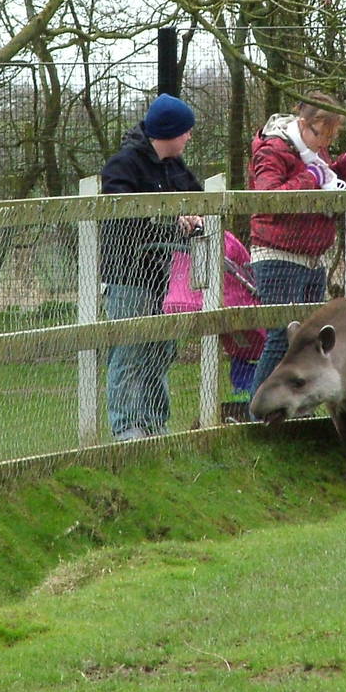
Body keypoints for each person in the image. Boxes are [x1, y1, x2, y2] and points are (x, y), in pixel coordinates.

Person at [245, 94, 346, 401]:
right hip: (278, 255)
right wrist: (310, 177)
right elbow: (268, 197)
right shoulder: (273, 149)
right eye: (321, 134)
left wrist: (345, 168)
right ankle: (257, 412)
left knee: (310, 341)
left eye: (330, 136)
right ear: (304, 123)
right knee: (280, 337)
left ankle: (295, 408)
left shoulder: (314, 150)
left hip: (313, 258)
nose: (323, 142)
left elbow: (324, 179)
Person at [98, 94, 203, 441]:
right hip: (129, 274)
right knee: (129, 350)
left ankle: (155, 424)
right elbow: (125, 217)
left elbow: (198, 199)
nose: (189, 137)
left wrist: (193, 216)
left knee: (160, 352)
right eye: (185, 131)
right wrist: (174, 222)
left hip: (166, 276)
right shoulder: (123, 166)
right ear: (169, 132)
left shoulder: (175, 168)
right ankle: (127, 428)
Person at [160, 229, 261, 421]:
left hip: (238, 320)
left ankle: (246, 403)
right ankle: (244, 404)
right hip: (228, 309)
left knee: (247, 356)